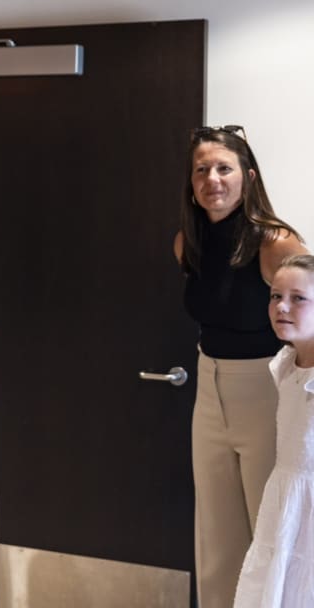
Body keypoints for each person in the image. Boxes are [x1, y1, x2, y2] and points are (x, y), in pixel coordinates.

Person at [174, 124, 306, 607]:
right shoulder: (187, 243)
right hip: (209, 389)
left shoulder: (275, 243)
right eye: (202, 170)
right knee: (216, 539)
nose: (213, 179)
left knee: (269, 533)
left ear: (247, 176)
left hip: (266, 391)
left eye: (224, 168)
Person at [234, 254, 314, 606]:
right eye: (275, 296)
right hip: (285, 507)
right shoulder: (284, 366)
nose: (282, 306)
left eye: (298, 298)